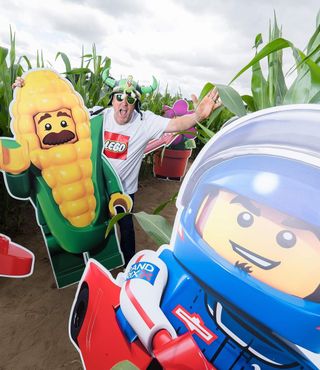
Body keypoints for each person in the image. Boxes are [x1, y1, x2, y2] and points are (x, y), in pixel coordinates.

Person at [101, 71, 221, 265]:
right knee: (98, 225)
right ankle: (101, 261)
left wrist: (198, 115)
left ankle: (129, 263)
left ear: (136, 103)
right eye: (119, 97)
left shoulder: (145, 121)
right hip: (99, 186)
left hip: (124, 191)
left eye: (130, 98)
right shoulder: (99, 116)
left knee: (126, 227)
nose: (124, 102)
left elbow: (176, 124)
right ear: (112, 100)